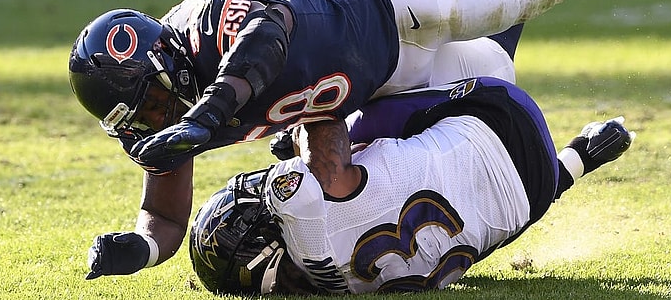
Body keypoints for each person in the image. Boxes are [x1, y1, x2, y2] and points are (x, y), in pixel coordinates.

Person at [78, 0, 671, 282]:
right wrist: (136, 249)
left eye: (155, 102)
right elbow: (166, 216)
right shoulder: (171, 114)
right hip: (377, 81)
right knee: (495, 72)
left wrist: (203, 118)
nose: (155, 119)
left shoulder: (202, 31)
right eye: (141, 117)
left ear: (163, 64)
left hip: (384, 1)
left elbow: (272, 33)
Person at [184, 76, 636, 294]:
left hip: (531, 196)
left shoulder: (338, 286)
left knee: (468, 224)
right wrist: (295, 131)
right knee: (359, 93)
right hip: (501, 120)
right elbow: (326, 112)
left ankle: (580, 158)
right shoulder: (315, 197)